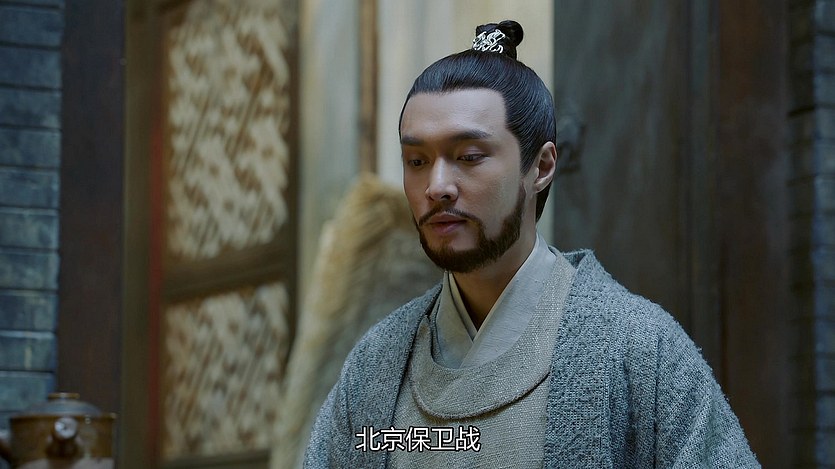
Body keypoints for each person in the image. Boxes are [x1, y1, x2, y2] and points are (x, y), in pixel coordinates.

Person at [304, 20, 759, 468]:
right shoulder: (377, 364)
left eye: (469, 156)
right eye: (417, 161)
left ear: (540, 167)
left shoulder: (638, 348)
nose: (437, 186)